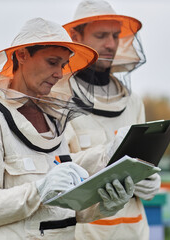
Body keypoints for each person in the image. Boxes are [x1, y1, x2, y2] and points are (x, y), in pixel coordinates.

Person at [0, 17, 137, 240]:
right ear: (22, 55)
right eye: (52, 62)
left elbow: (63, 209)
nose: (59, 73)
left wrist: (104, 204)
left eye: (63, 65)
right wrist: (37, 191)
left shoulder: (53, 122)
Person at [62, 1, 161, 239]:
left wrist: (149, 179)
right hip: (85, 233)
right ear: (76, 37)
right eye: (101, 35)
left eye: (116, 36)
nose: (111, 45)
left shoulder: (133, 101)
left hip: (134, 230)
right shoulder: (58, 97)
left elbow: (143, 160)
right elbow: (59, 169)